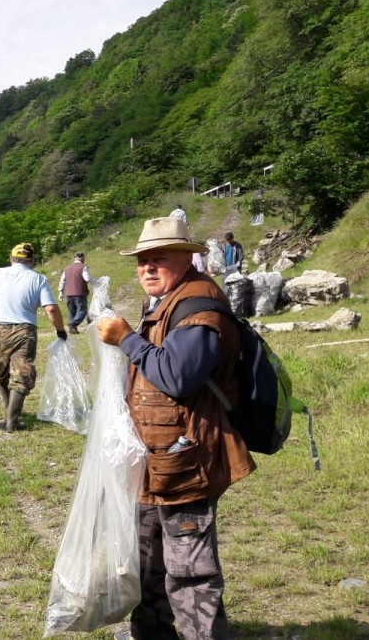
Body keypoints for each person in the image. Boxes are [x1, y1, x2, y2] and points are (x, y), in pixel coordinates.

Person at [96, 216, 255, 640]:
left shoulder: (198, 308)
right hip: (158, 461)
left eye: (158, 258)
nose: (147, 267)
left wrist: (127, 338)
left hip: (187, 462)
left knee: (190, 573)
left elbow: (177, 377)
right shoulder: (169, 298)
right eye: (142, 260)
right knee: (149, 562)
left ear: (187, 258)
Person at [0, 242, 66, 432]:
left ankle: (9, 411)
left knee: (3, 374)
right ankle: (12, 420)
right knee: (22, 374)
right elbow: (50, 308)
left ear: (11, 258)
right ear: (32, 260)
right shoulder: (38, 279)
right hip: (25, 332)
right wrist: (60, 330)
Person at [58, 251, 91, 333]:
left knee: (71, 312)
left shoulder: (67, 268)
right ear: (83, 258)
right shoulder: (83, 267)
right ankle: (73, 324)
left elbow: (62, 281)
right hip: (79, 293)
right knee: (82, 310)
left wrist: (61, 292)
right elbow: (87, 278)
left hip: (69, 293)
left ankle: (72, 329)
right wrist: (97, 282)